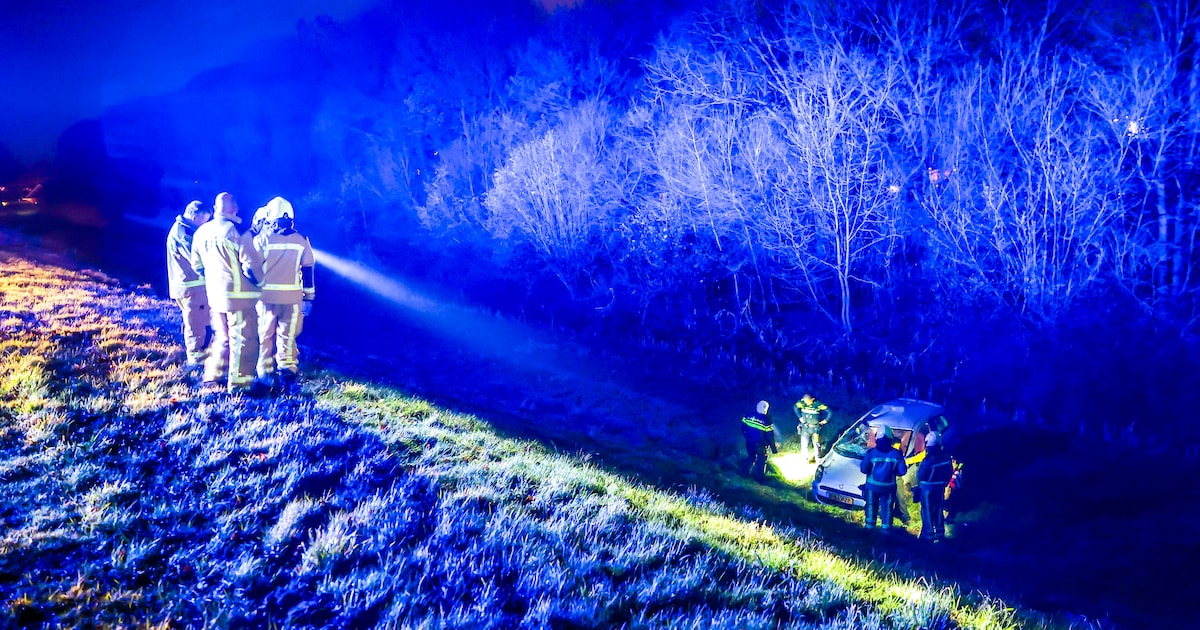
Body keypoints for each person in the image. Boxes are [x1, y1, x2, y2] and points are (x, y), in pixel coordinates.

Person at [190, 192, 265, 394]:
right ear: (234, 209)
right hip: (240, 299)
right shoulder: (238, 232)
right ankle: (240, 385)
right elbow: (251, 267)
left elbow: (197, 266)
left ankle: (212, 377)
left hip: (215, 297)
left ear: (215, 208)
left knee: (222, 337)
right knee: (244, 340)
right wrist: (261, 284)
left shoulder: (202, 232)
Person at [252, 196, 315, 392]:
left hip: (265, 300)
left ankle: (264, 376)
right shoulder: (301, 241)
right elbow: (308, 270)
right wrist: (309, 298)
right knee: (287, 337)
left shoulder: (262, 240)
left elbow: (249, 269)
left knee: (264, 337)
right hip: (292, 300)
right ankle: (288, 375)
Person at [166, 200, 213, 371]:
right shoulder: (184, 233)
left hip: (190, 287)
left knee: (200, 321)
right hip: (192, 287)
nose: (205, 225)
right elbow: (196, 259)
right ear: (195, 216)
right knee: (197, 323)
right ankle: (196, 362)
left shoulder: (183, 229)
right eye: (204, 220)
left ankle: (201, 357)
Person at [860, 425, 906, 531]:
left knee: (871, 507)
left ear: (877, 439)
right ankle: (886, 532)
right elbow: (902, 471)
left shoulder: (871, 453)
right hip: (889, 488)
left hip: (872, 487)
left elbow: (863, 469)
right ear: (890, 439)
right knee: (888, 509)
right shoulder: (896, 454)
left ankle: (869, 530)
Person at [916, 431, 955, 542]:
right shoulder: (946, 457)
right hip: (940, 488)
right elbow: (949, 472)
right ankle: (940, 533)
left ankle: (928, 536)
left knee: (927, 511)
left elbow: (920, 475)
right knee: (938, 510)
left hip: (927, 489)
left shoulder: (929, 459)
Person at [741, 400, 778, 483]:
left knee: (751, 457)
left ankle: (743, 474)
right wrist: (774, 449)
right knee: (761, 460)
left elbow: (743, 428)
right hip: (760, 445)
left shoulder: (748, 415)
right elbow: (770, 436)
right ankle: (760, 479)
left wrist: (746, 436)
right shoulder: (766, 420)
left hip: (749, 442)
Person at [794, 393, 830, 463]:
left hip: (815, 429)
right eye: (805, 401)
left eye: (807, 401)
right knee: (804, 443)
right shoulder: (802, 403)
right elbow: (795, 407)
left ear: (812, 399)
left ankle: (818, 459)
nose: (806, 403)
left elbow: (830, 412)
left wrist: (826, 420)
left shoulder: (818, 404)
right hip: (805, 427)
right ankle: (805, 458)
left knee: (816, 443)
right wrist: (800, 418)